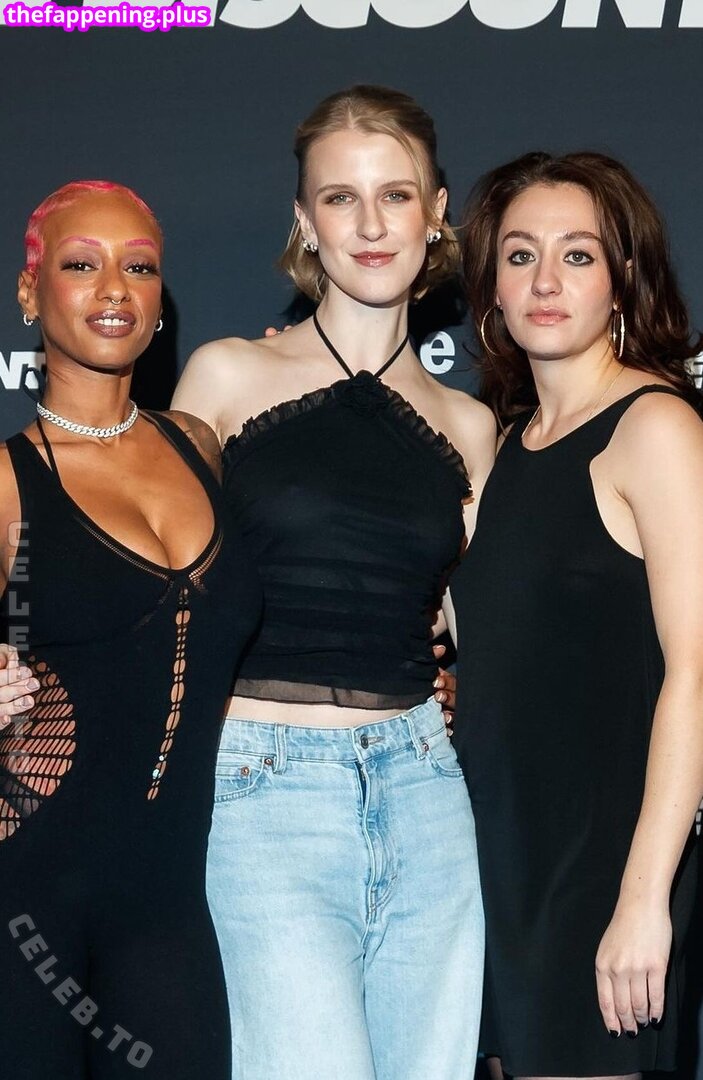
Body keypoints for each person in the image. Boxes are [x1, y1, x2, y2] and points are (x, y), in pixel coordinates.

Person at [172, 84, 496, 1080]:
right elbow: (152, 587)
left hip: (426, 792)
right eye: (339, 198)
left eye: (394, 195)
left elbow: (486, 628)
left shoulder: (470, 425)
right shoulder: (224, 377)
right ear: (304, 221)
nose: (369, 224)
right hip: (263, 793)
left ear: (435, 212)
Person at [0, 180, 261, 1080]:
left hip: (169, 906)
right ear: (32, 292)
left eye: (139, 268)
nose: (114, 288)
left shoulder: (198, 445)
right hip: (28, 895)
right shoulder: (7, 482)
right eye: (82, 265)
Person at [452, 151, 703, 1080]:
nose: (545, 280)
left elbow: (696, 672)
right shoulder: (505, 449)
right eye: (520, 255)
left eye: (577, 255)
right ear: (491, 287)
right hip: (496, 864)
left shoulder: (654, 428)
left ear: (622, 278)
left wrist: (643, 899)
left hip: (604, 868)